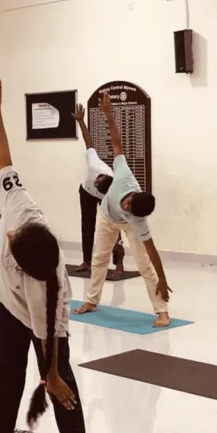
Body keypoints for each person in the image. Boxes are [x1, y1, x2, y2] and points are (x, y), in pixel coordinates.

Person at [0, 72, 90, 433]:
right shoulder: (21, 207)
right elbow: (3, 159)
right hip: (6, 302)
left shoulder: (45, 286)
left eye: (12, 244)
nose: (10, 237)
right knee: (6, 371)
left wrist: (51, 375)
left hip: (41, 321)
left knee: (63, 388)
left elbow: (48, 337)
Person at [73, 93, 171, 327]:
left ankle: (162, 311)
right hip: (106, 217)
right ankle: (91, 301)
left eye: (129, 208)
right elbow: (117, 143)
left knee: (144, 265)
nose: (125, 206)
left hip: (124, 225)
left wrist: (163, 277)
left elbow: (152, 251)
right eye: (127, 204)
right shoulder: (123, 174)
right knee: (99, 258)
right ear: (132, 195)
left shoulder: (137, 220)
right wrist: (108, 113)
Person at [72, 104, 125, 275]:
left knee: (114, 226)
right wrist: (80, 121)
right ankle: (87, 261)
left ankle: (119, 263)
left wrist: (119, 266)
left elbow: (118, 225)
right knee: (87, 224)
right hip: (85, 192)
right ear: (98, 179)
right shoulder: (94, 163)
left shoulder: (112, 192)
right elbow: (89, 142)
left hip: (104, 196)